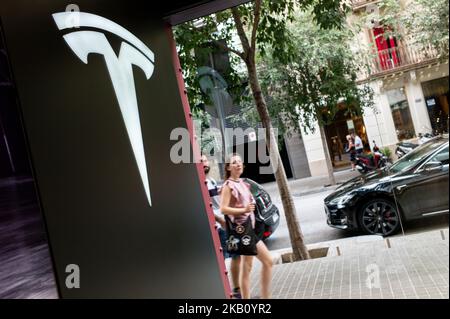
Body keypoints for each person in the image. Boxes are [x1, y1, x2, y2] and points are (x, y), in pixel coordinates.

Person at [220, 153, 273, 299]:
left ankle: (261, 298)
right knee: (257, 264)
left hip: (250, 229)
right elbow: (223, 209)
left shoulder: (242, 183)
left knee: (257, 264)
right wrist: (244, 210)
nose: (238, 164)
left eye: (239, 162)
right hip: (242, 231)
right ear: (228, 167)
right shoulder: (228, 186)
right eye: (234, 162)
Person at [201, 155, 242, 299]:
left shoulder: (211, 181)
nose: (204, 163)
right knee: (223, 259)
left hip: (225, 225)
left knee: (236, 256)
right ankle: (227, 292)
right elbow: (207, 207)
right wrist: (220, 220)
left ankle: (236, 291)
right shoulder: (202, 183)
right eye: (201, 161)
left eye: (205, 160)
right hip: (218, 228)